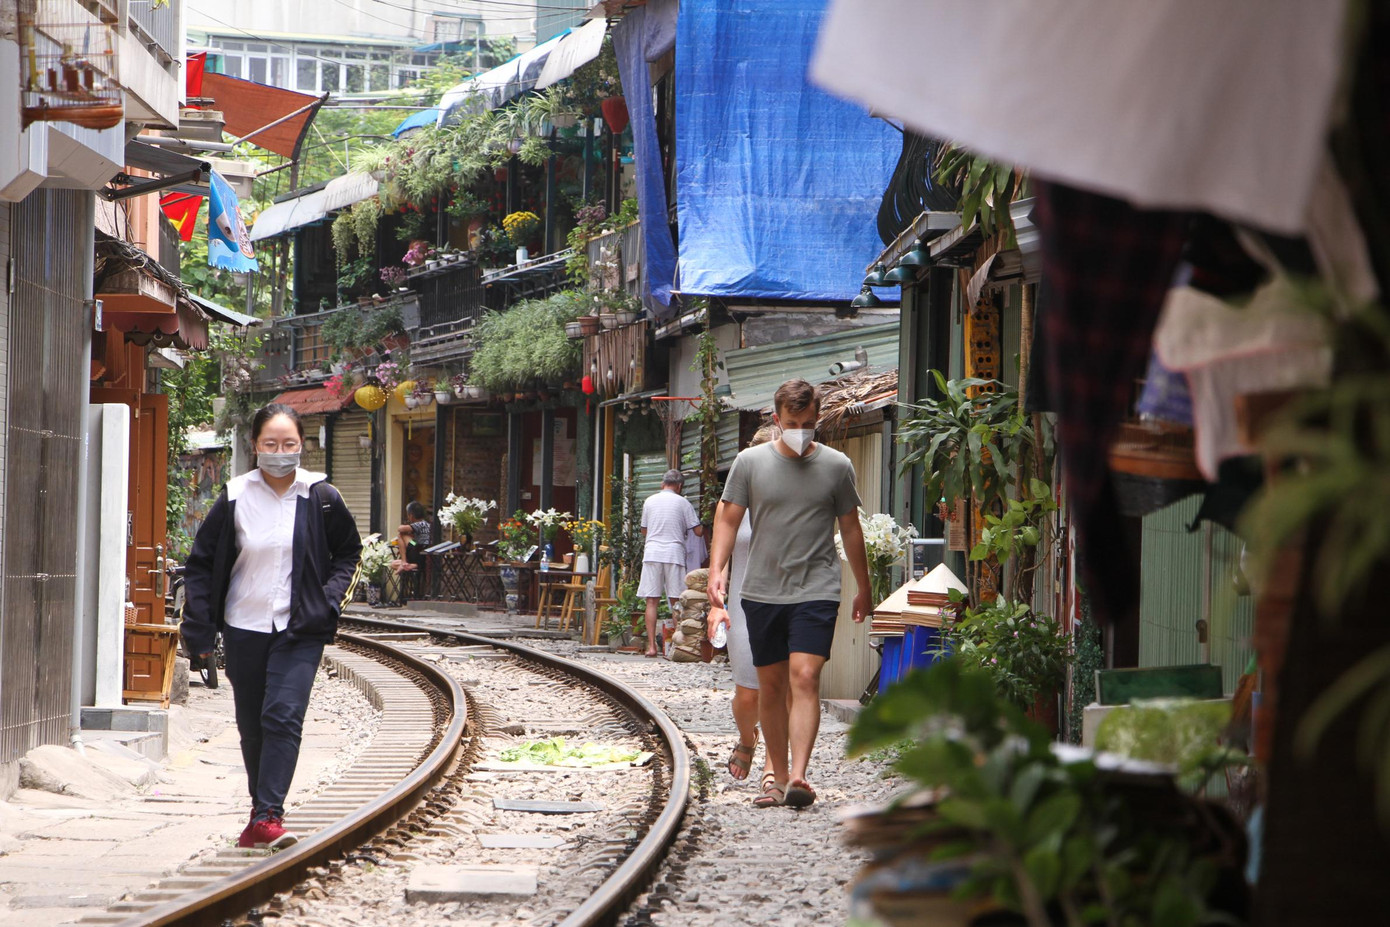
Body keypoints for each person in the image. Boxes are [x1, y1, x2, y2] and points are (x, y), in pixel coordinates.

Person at [180, 403, 363, 850]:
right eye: (270, 444)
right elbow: (201, 566)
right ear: (255, 446)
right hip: (244, 627)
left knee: (283, 715)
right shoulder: (236, 496)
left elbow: (349, 555)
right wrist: (199, 632)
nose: (280, 452)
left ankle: (268, 816)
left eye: (289, 444)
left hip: (301, 628)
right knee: (253, 724)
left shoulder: (321, 497)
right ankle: (258, 813)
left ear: (302, 445)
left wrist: (328, 603)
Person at [709, 379, 871, 809]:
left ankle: (799, 775)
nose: (801, 430)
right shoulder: (749, 463)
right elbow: (727, 520)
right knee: (771, 684)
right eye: (793, 422)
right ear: (777, 419)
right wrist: (716, 571)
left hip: (816, 587)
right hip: (762, 590)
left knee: (805, 676)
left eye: (809, 423)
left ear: (817, 420)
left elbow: (851, 528)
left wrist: (864, 587)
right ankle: (778, 778)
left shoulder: (837, 466)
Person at [708, 425, 782, 790]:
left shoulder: (792, 497)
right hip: (741, 601)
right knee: (747, 692)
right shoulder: (734, 501)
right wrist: (714, 596)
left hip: (784, 599)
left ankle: (773, 763)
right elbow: (719, 555)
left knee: (778, 687)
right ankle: (748, 738)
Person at [639, 469, 703, 658]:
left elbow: (644, 531)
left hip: (652, 553)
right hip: (674, 553)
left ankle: (652, 647)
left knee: (651, 601)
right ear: (680, 486)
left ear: (662, 483)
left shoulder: (649, 501)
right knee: (676, 601)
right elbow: (698, 532)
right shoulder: (683, 503)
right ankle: (676, 648)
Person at [384, 501, 431, 607]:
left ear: (411, 515)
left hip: (418, 551)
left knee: (401, 535)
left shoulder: (421, 524)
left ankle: (404, 562)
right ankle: (409, 565)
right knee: (392, 563)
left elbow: (400, 528)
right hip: (419, 553)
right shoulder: (427, 524)